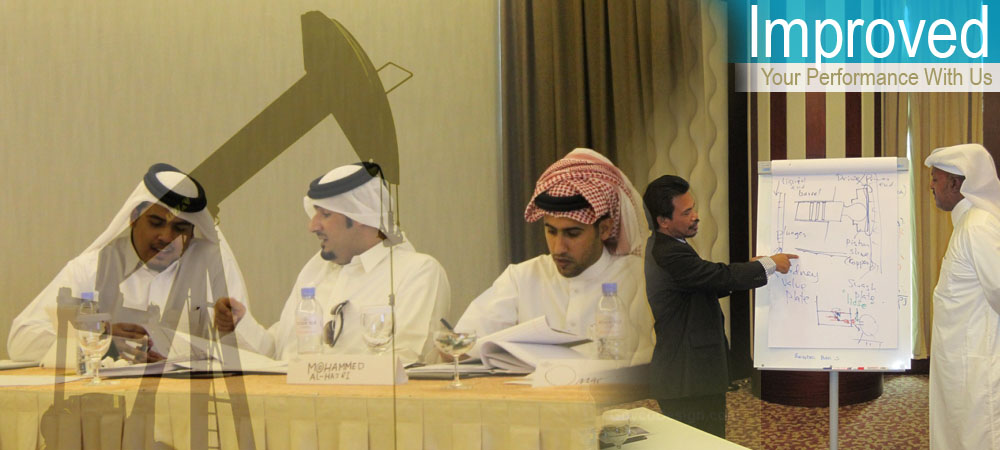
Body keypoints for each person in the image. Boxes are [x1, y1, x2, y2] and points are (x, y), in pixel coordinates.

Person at [8, 163, 256, 363]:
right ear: (134, 218)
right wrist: (101, 342)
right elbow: (21, 340)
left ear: (193, 233)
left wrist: (229, 329)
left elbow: (259, 354)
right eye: (156, 223)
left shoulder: (210, 270)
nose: (166, 237)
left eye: (180, 229)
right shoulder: (90, 269)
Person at [218, 162, 450, 365]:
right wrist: (239, 324)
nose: (312, 226)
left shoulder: (417, 273)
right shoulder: (314, 272)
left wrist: (323, 372)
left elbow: (405, 362)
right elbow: (279, 355)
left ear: (360, 217)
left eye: (325, 215)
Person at [455, 148, 654, 363]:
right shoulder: (521, 277)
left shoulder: (641, 278)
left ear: (604, 229)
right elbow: (459, 346)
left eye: (572, 233)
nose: (558, 248)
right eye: (551, 231)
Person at [643, 174, 797, 437]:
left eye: (693, 208)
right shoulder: (668, 252)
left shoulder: (669, 245)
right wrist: (768, 265)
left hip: (691, 375)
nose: (696, 216)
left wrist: (753, 268)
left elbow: (705, 283)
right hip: (687, 378)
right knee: (702, 440)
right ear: (663, 221)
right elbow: (716, 276)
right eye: (686, 212)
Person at [924, 144, 1000, 450]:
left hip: (975, 364)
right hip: (960, 361)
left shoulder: (978, 226)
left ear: (956, 184)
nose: (931, 186)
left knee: (977, 436)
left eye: (936, 179)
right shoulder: (968, 223)